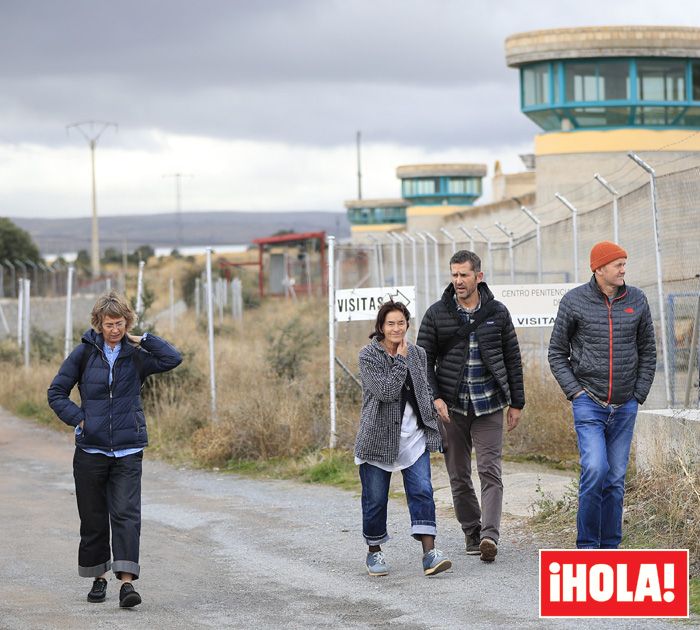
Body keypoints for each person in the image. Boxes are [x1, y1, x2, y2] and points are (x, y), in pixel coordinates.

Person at [48, 290, 182, 607]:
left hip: (127, 450)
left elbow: (172, 358)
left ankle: (126, 585)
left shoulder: (135, 356)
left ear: (126, 323)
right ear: (98, 323)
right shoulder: (82, 355)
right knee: (93, 518)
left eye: (120, 323)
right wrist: (80, 420)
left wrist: (141, 338)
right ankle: (98, 579)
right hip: (90, 452)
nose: (114, 330)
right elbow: (56, 393)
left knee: (126, 516)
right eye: (109, 324)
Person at [417, 250, 524, 563]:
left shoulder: (498, 313)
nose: (458, 281)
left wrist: (517, 402)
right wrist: (435, 398)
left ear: (479, 276)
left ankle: (490, 535)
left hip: (489, 404)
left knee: (490, 470)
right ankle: (472, 531)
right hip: (452, 408)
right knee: (459, 475)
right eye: (454, 275)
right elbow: (423, 361)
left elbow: (512, 360)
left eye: (464, 275)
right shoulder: (437, 314)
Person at [548, 241, 656, 549]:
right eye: (618, 264)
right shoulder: (574, 301)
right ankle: (586, 546)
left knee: (615, 479)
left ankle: (610, 548)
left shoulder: (637, 299)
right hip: (589, 403)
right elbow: (557, 352)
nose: (624, 269)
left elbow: (648, 350)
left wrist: (638, 394)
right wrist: (576, 392)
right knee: (595, 469)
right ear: (599, 269)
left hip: (625, 405)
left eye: (624, 263)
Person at [354, 301, 452, 577]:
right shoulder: (368, 356)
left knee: (422, 490)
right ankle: (375, 552)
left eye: (401, 323)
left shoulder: (418, 353)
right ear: (381, 328)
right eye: (390, 324)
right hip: (377, 438)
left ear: (408, 325)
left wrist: (433, 417)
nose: (396, 328)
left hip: (413, 436)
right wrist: (399, 360)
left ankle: (430, 554)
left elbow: (422, 389)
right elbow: (386, 391)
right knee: (375, 499)